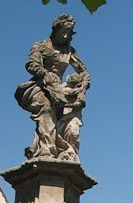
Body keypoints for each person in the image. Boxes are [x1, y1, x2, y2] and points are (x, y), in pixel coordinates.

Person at [14, 14, 89, 161]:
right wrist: (45, 73)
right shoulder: (40, 45)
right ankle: (47, 148)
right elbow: (31, 64)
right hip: (39, 85)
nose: (65, 35)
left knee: (70, 116)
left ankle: (65, 149)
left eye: (69, 33)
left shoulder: (70, 51)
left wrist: (81, 89)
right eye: (63, 32)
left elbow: (84, 72)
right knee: (46, 106)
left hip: (59, 89)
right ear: (56, 30)